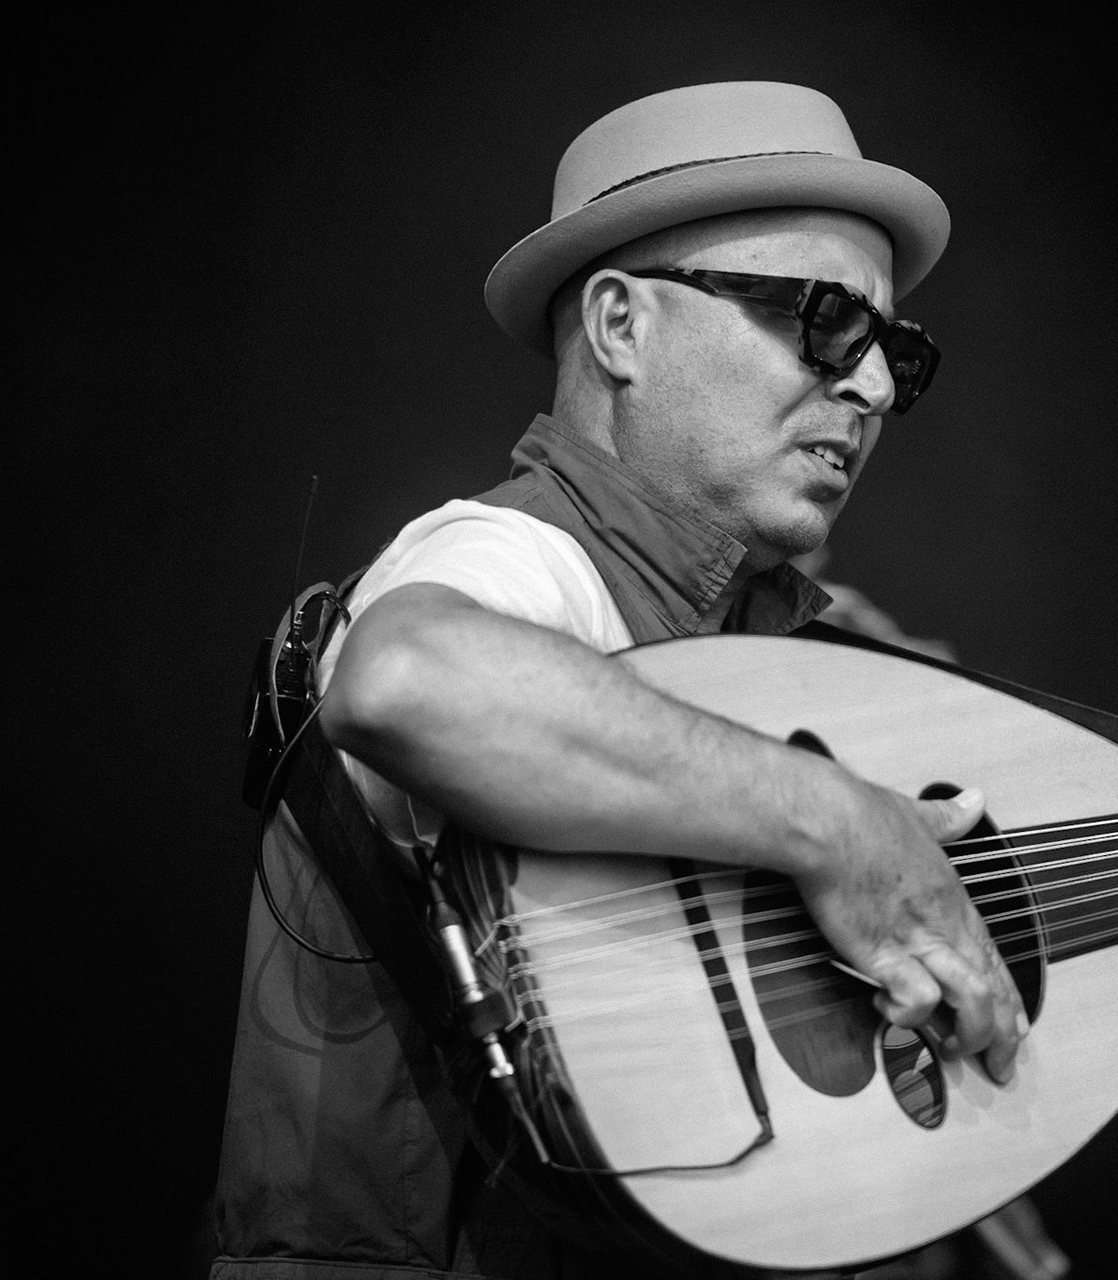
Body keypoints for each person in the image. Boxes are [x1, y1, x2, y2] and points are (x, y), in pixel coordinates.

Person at [210, 81, 1037, 1280]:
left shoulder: (798, 643)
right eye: (824, 321)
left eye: (892, 349)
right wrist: (843, 826)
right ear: (619, 326)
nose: (867, 387)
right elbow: (402, 676)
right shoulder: (504, 558)